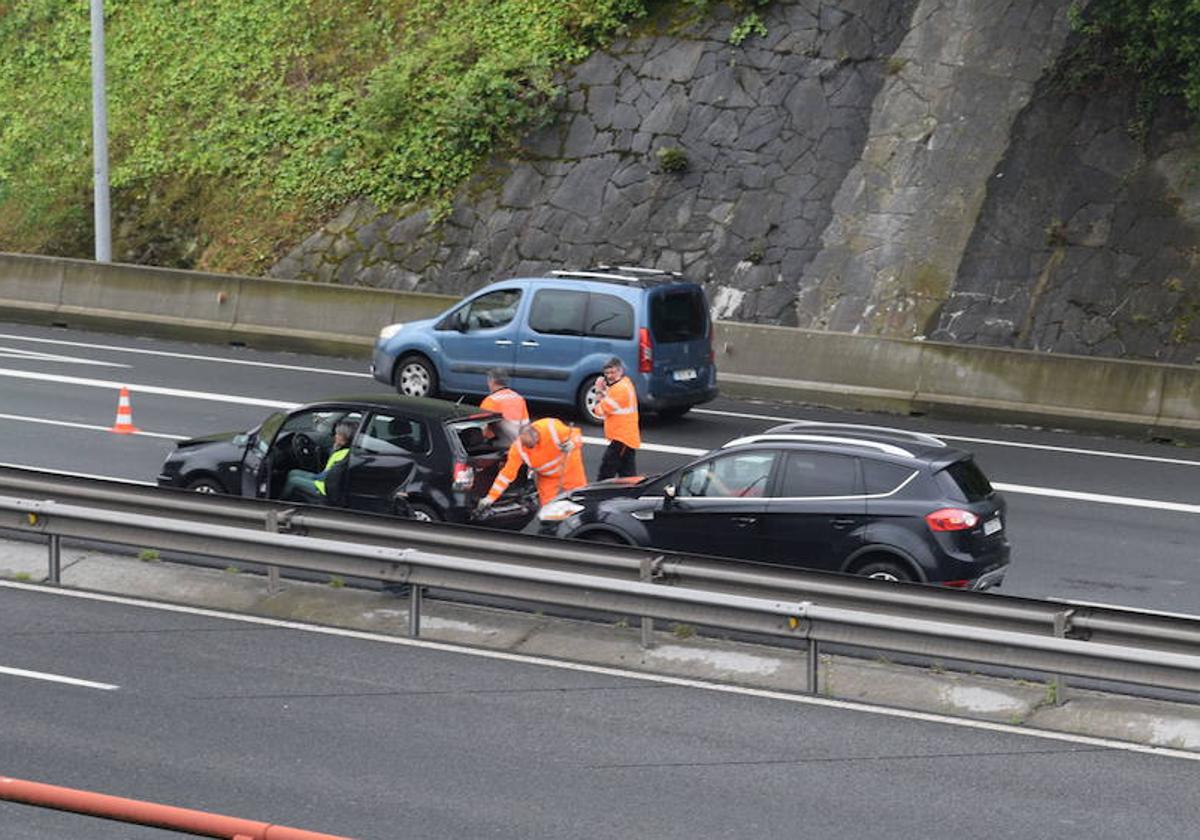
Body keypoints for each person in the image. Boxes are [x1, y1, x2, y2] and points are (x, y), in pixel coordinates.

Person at [476, 417, 585, 513]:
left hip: (569, 468)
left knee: (578, 500)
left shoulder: (551, 427)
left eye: (530, 446)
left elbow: (575, 434)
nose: (527, 449)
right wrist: (490, 498)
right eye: (525, 445)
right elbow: (506, 475)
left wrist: (573, 443)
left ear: (537, 437)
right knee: (548, 509)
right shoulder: (518, 448)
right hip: (547, 477)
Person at [280, 420, 356, 504]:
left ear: (345, 437)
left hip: (323, 487)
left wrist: (315, 478)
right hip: (323, 479)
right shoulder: (341, 450)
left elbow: (329, 477)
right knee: (293, 472)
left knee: (293, 480)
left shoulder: (343, 455)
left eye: (338, 434)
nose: (335, 436)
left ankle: (281, 502)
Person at [593, 356, 640, 480]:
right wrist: (605, 391)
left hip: (621, 438)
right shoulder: (625, 383)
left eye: (612, 372)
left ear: (620, 371)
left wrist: (598, 390)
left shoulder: (619, 390)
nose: (609, 376)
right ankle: (631, 496)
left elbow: (599, 411)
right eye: (607, 373)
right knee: (627, 475)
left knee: (605, 473)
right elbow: (611, 399)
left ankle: (597, 496)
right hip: (626, 437)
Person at [480, 367, 529, 445]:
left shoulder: (491, 400)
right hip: (519, 443)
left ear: (491, 381)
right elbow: (526, 424)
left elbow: (483, 431)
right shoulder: (518, 398)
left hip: (500, 445)